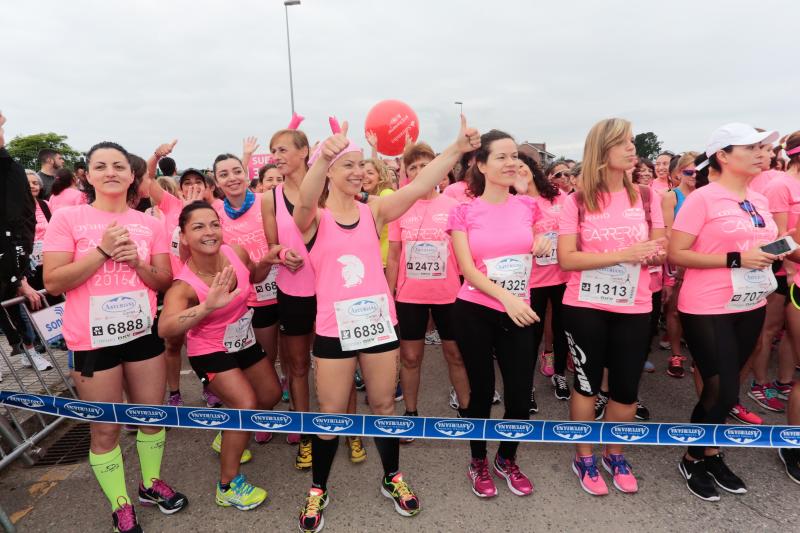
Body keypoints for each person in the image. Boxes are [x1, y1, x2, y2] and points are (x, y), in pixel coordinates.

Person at [291, 117, 479, 532]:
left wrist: (456, 148)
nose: (358, 171)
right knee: (332, 412)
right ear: (330, 173)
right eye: (348, 165)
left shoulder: (374, 211)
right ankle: (318, 488)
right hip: (333, 329)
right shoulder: (314, 219)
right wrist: (322, 157)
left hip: (377, 326)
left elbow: (415, 186)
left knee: (383, 406)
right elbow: (303, 200)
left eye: (361, 164)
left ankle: (391, 476)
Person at [43, 141, 187, 532]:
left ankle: (149, 483)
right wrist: (102, 252)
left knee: (150, 417)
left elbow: (163, 280)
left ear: (131, 175)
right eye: (101, 166)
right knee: (105, 428)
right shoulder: (68, 219)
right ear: (87, 175)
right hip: (91, 342)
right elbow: (53, 281)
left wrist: (136, 262)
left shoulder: (150, 224)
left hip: (140, 335)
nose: (111, 172)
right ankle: (120, 502)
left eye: (119, 165)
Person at [668, 123, 781, 502]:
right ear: (724, 155)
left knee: (726, 385)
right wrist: (736, 258)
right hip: (707, 305)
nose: (761, 153)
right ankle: (692, 457)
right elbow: (676, 253)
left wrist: (779, 250)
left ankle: (710, 453)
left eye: (762, 147)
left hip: (751, 303)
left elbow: (763, 245)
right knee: (722, 389)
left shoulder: (760, 200)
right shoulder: (703, 198)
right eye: (751, 147)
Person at [558, 118, 666, 496]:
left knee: (626, 389)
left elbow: (657, 248)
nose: (632, 148)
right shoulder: (577, 200)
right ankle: (584, 456)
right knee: (586, 385)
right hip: (585, 303)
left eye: (633, 141)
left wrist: (656, 256)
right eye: (622, 142)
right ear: (601, 151)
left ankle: (614, 454)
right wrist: (624, 253)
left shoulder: (648, 197)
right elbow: (567, 259)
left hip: (634, 305)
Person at [159, 201, 281, 511]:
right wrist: (207, 306)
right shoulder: (184, 285)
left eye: (214, 224)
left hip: (244, 339)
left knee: (271, 394)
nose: (209, 232)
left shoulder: (235, 252)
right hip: (210, 350)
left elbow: (252, 276)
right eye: (198, 227)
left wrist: (266, 260)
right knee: (244, 405)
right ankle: (227, 486)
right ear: (184, 236)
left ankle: (227, 436)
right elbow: (166, 327)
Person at [449, 129, 550, 499]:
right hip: (476, 309)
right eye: (502, 157)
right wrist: (507, 299)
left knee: (521, 395)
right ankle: (478, 459)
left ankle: (507, 458)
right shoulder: (463, 210)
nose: (512, 163)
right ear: (480, 164)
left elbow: (541, 236)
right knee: (481, 392)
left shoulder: (528, 205)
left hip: (518, 312)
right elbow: (468, 270)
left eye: (515, 157)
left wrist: (540, 242)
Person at [385, 141, 469, 431]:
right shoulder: (399, 206)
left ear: (438, 169)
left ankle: (467, 413)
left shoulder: (454, 206)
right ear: (406, 173)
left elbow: (465, 253)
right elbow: (393, 255)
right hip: (410, 295)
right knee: (410, 357)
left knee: (456, 354)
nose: (421, 171)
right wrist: (389, 293)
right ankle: (410, 413)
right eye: (414, 167)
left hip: (449, 294)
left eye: (426, 165)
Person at [261, 128, 317, 466]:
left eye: (282, 149)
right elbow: (272, 246)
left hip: (329, 290)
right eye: (272, 151)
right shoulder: (271, 198)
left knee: (331, 365)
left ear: (305, 151)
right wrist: (282, 254)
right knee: (297, 366)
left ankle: (341, 428)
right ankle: (305, 432)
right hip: (293, 289)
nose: (276, 156)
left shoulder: (328, 187)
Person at [519, 152, 570, 402]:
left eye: (521, 167)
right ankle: (526, 385)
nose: (518, 172)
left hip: (562, 274)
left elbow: (573, 228)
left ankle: (559, 372)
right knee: (531, 334)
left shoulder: (557, 195)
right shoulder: (512, 202)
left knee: (561, 329)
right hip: (532, 279)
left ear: (531, 168)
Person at [661, 152, 699, 378]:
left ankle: (699, 353)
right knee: (674, 310)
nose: (694, 175)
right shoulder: (671, 197)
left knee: (699, 312)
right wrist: (680, 260)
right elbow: (668, 231)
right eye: (688, 171)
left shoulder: (706, 195)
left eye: (698, 171)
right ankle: (675, 354)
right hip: (679, 259)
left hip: (705, 260)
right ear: (678, 173)